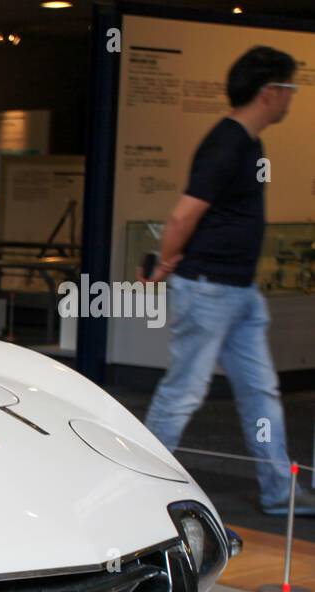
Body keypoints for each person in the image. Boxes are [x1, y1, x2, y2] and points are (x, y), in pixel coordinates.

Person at [142, 45, 314, 516]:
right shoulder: (227, 144)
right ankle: (136, 483)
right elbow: (184, 215)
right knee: (184, 393)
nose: (292, 99)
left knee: (261, 392)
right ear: (270, 92)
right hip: (208, 290)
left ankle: (280, 491)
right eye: (290, 89)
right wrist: (168, 263)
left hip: (240, 292)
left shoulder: (250, 144)